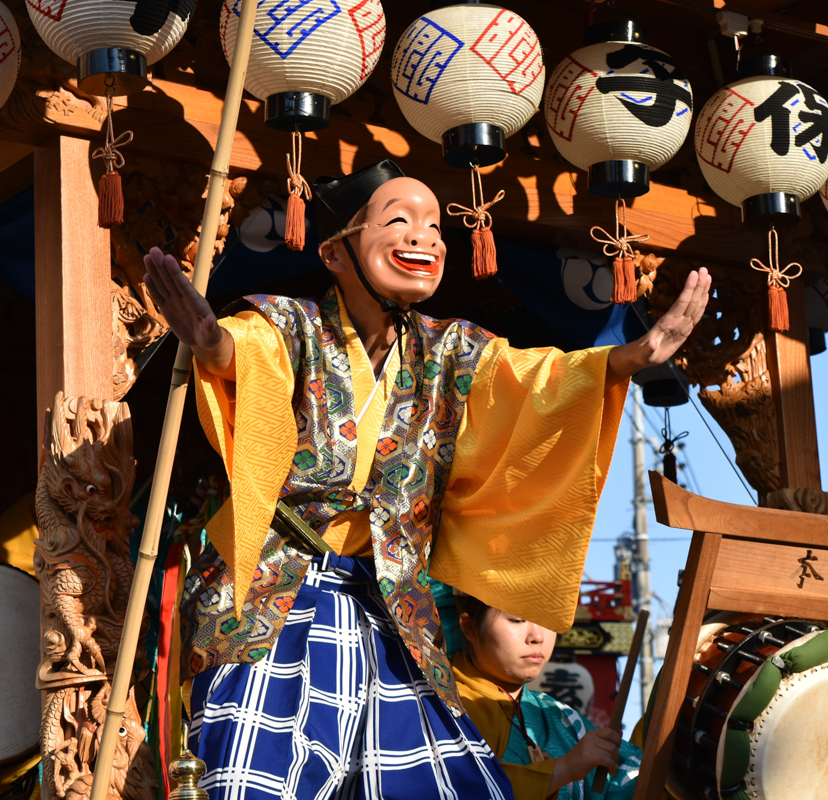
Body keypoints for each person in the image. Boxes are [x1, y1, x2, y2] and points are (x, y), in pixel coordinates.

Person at [145, 159, 710, 798]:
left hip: (390, 605)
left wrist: (627, 358)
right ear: (335, 252)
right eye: (399, 221)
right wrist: (211, 342)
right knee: (257, 774)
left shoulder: (452, 351)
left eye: (436, 226)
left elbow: (537, 381)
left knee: (443, 782)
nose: (425, 238)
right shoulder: (291, 325)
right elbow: (248, 354)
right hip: (278, 595)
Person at [452, 592, 641, 800]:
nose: (538, 637)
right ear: (469, 627)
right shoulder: (443, 710)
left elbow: (636, 775)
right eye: (517, 620)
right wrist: (563, 769)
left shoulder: (562, 717)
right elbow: (451, 787)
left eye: (548, 619)